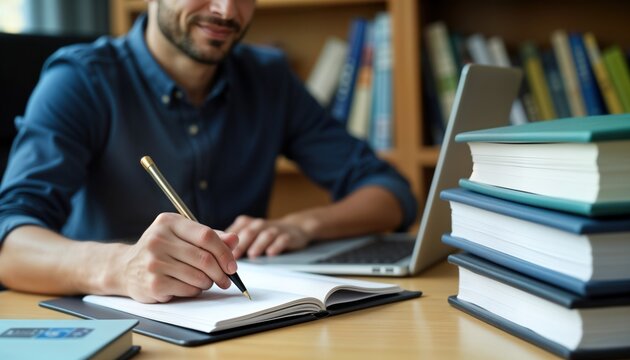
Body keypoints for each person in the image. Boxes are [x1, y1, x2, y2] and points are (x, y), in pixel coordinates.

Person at [0, 0, 417, 303]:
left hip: (244, 320)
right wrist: (119, 266)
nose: (226, 11)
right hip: (119, 323)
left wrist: (303, 225)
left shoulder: (269, 78)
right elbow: (9, 241)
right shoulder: (81, 80)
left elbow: (390, 192)